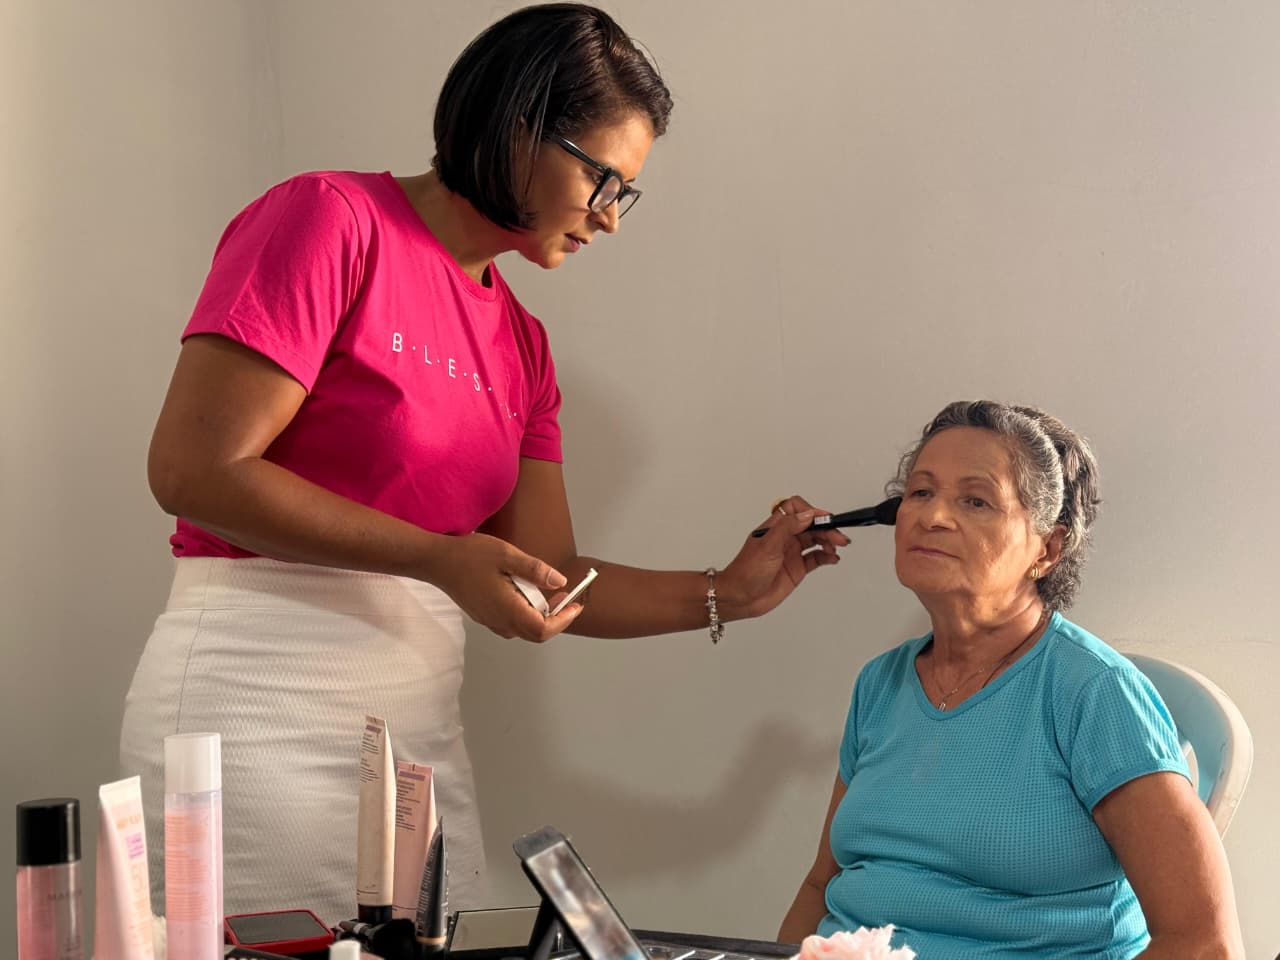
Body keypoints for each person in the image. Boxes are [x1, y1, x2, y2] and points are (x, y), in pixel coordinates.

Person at [119, 3, 848, 926]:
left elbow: (549, 580)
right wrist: (436, 557)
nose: (610, 220)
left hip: (416, 737)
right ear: (515, 126)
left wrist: (730, 592)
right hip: (257, 711)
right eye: (603, 180)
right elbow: (194, 470)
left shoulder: (521, 344)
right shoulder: (329, 220)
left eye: (627, 193)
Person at [779, 401, 1244, 958]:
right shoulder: (880, 684)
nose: (932, 516)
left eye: (975, 500)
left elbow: (1203, 942)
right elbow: (819, 885)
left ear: (1047, 549)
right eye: (921, 492)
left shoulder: (1095, 694)